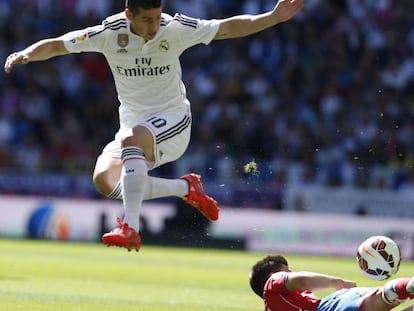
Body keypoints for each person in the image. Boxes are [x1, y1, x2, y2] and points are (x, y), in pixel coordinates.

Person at [4, 0, 304, 252]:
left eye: (158, 18)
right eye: (147, 20)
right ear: (128, 15)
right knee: (104, 181)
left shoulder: (175, 28)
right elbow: (58, 45)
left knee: (132, 140)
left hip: (174, 120)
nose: (154, 27)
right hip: (133, 128)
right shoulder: (110, 33)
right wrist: (27, 53)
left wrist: (273, 17)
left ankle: (130, 228)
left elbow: (226, 27)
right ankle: (185, 188)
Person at [249, 255, 414, 311]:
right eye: (288, 271)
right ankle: (409, 285)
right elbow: (302, 280)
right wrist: (337, 281)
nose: (292, 273)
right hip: (328, 307)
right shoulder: (272, 282)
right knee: (382, 298)